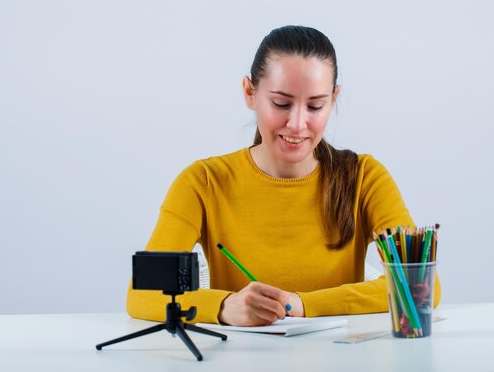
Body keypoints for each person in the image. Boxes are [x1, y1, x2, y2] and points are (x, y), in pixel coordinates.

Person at [126, 25, 441, 326]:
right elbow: (142, 294)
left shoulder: (364, 177)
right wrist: (223, 307)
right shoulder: (203, 182)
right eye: (281, 103)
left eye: (315, 106)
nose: (297, 124)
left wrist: (303, 305)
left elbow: (422, 286)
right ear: (250, 93)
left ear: (334, 99)